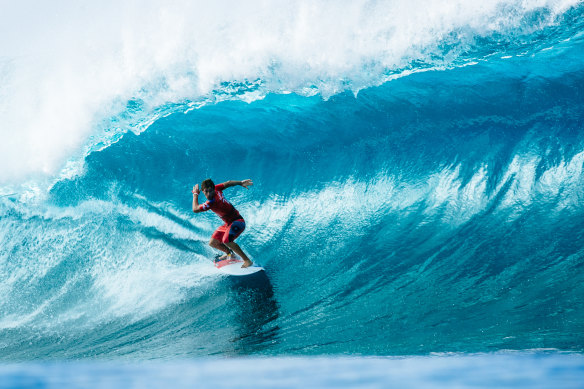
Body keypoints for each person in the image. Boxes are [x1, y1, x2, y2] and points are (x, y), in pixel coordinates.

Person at [192, 178, 253, 268]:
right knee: (213, 242)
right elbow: (228, 183)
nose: (209, 194)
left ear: (213, 189)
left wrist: (195, 194)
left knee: (226, 241)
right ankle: (229, 254)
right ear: (203, 191)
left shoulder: (211, 203)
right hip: (229, 223)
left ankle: (247, 260)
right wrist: (240, 183)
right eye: (206, 192)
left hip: (238, 222)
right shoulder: (217, 188)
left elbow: (195, 209)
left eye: (210, 191)